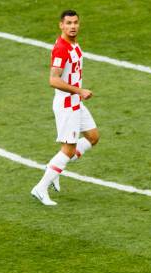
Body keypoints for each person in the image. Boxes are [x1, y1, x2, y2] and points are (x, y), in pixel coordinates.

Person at [31, 10, 100, 206]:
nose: (73, 26)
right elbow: (53, 80)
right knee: (68, 150)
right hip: (67, 105)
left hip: (76, 103)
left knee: (93, 137)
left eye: (75, 22)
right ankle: (40, 188)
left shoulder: (74, 45)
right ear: (61, 25)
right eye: (68, 23)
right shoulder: (61, 48)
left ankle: (55, 168)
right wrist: (78, 91)